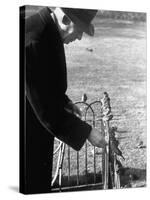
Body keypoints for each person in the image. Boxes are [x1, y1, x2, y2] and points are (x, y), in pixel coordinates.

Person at [20, 6, 106, 194]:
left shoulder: (48, 31)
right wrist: (87, 132)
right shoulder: (32, 39)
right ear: (65, 19)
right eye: (80, 30)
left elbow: (42, 80)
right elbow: (43, 107)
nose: (80, 37)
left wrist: (64, 101)